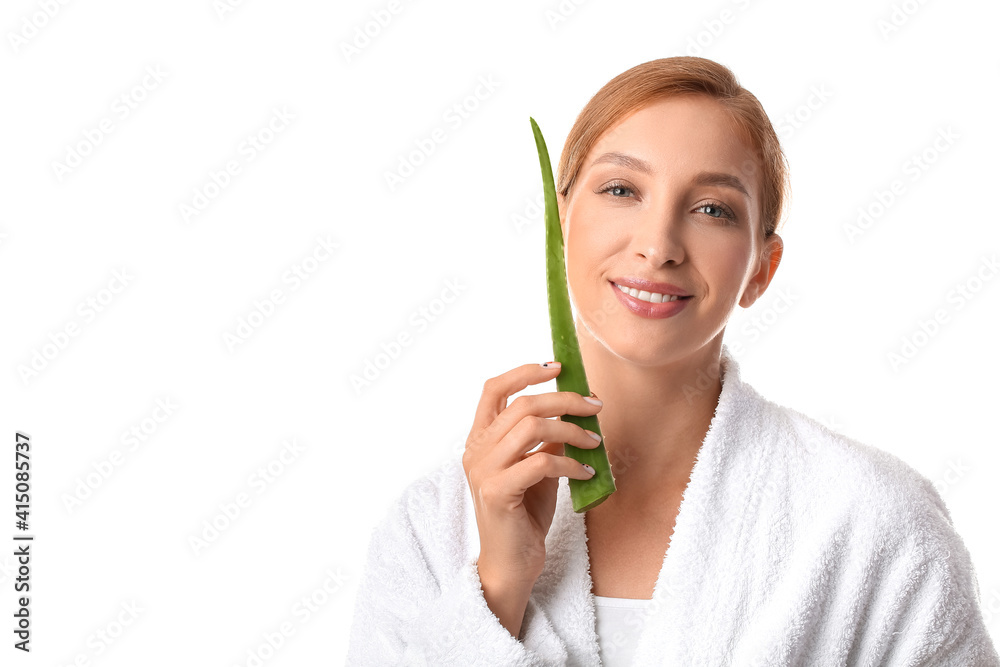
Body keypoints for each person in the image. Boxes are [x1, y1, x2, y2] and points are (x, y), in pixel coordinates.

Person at [346, 56, 1000, 666]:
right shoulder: (432, 529)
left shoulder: (873, 522)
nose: (657, 245)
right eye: (622, 189)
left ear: (760, 271)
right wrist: (497, 587)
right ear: (561, 217)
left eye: (713, 208)